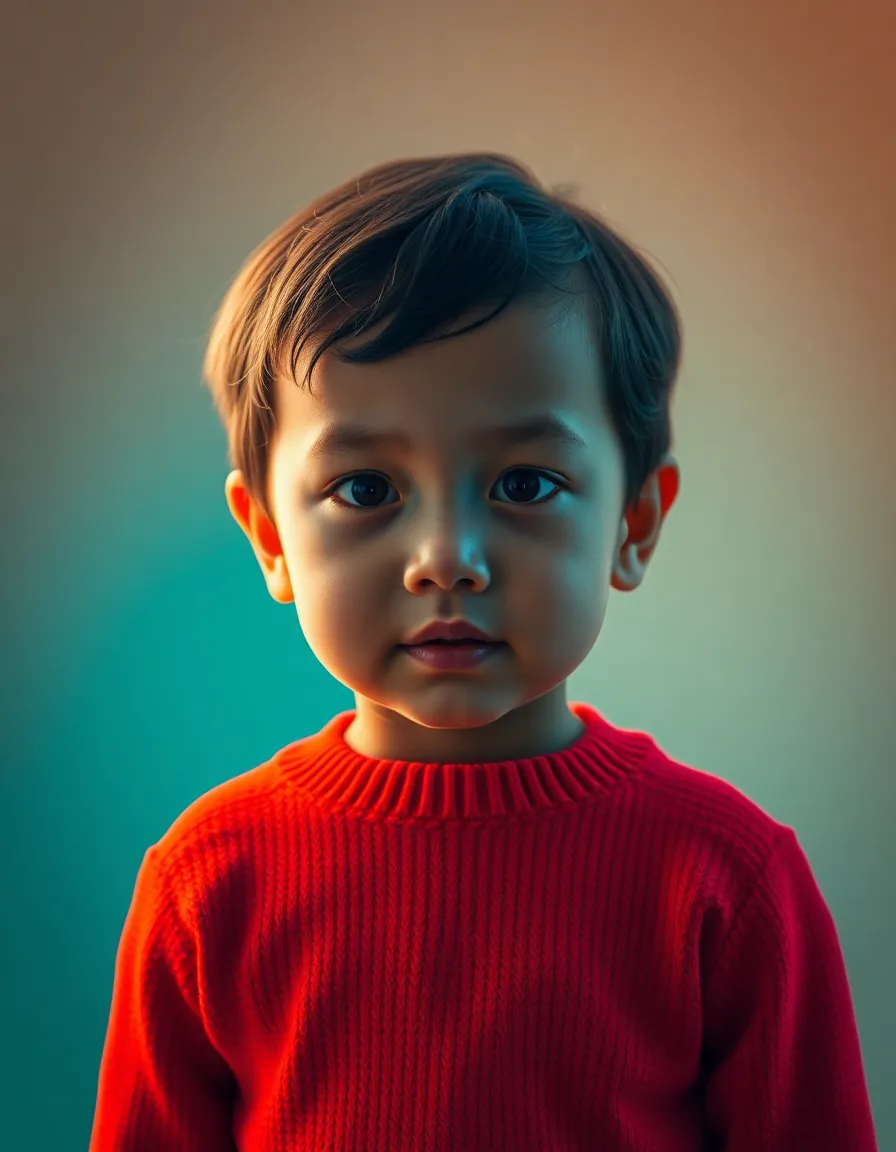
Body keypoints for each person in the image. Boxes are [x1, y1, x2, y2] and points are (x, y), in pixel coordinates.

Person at [88, 153, 879, 1150]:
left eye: (524, 485)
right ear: (272, 539)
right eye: (366, 491)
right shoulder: (208, 885)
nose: (446, 561)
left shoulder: (725, 882)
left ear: (633, 523)